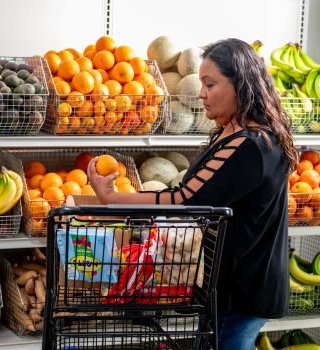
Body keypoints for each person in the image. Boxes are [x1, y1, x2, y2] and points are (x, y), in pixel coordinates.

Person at [87, 38, 299, 350]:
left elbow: (186, 200)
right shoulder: (233, 134)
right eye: (201, 83)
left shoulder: (250, 146)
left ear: (241, 84)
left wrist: (112, 198)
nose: (201, 94)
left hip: (242, 289)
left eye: (210, 84)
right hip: (229, 284)